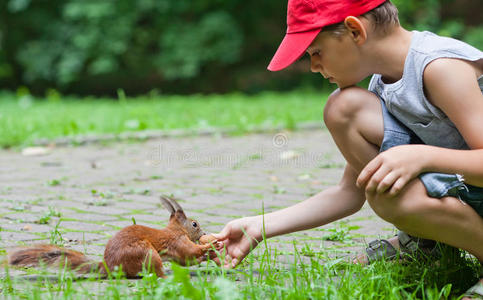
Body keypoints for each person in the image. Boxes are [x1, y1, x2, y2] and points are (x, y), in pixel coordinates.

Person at [213, 0, 483, 297]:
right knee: (343, 108)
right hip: (469, 188)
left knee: (388, 197)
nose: (313, 66)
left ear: (355, 30)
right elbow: (348, 193)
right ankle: (427, 245)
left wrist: (421, 156)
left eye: (316, 52)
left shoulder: (440, 67)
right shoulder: (383, 83)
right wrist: (258, 226)